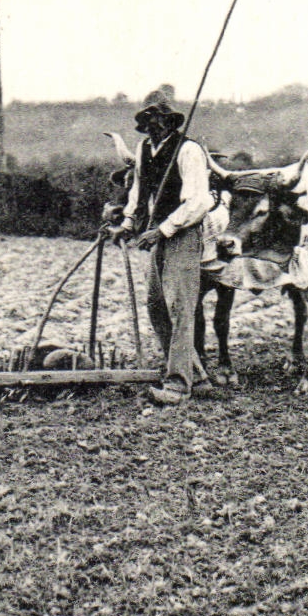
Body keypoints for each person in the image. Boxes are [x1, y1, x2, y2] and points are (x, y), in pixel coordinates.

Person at [106, 86, 215, 404]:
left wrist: (163, 229)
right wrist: (127, 224)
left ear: (171, 121)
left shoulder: (189, 151)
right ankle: (198, 377)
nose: (154, 124)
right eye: (148, 118)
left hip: (183, 235)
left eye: (160, 118)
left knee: (181, 310)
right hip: (157, 235)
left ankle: (178, 386)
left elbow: (198, 202)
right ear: (143, 122)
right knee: (157, 306)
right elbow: (139, 191)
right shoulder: (143, 150)